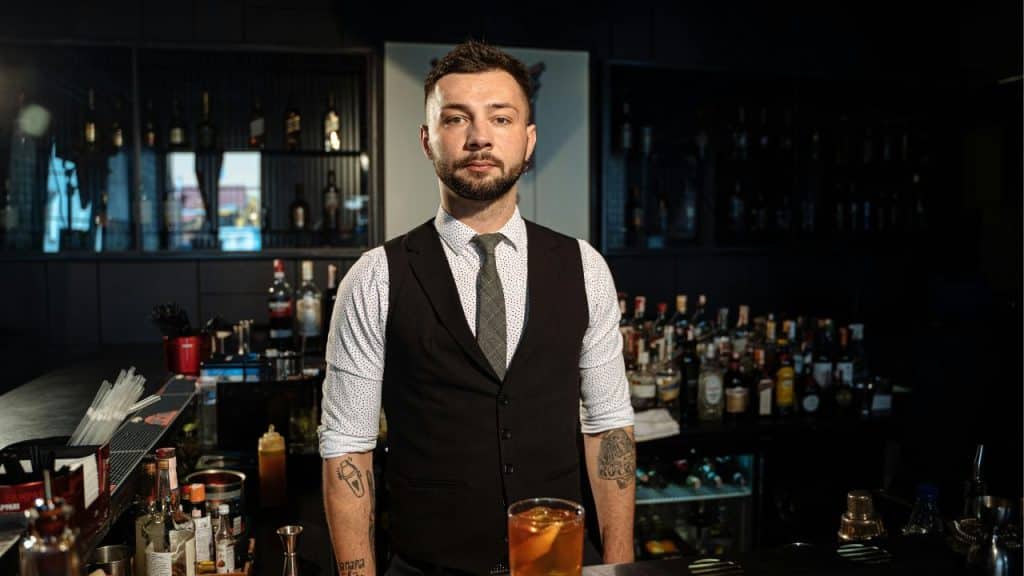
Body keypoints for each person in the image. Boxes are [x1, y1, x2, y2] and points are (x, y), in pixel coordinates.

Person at [320, 40, 635, 576]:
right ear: (427, 140)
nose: (480, 137)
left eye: (501, 117)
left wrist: (622, 567)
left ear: (528, 139)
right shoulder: (373, 277)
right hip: (427, 567)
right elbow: (347, 449)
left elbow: (608, 428)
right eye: (456, 119)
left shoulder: (584, 267)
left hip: (555, 563)